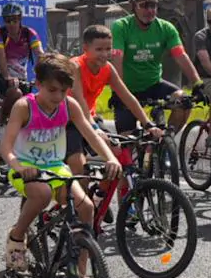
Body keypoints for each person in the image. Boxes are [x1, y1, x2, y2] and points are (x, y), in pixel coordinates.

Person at [0, 53, 120, 278]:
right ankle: (17, 235)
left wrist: (110, 158)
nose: (58, 97)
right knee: (42, 194)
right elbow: (5, 146)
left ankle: (80, 273)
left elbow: (91, 135)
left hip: (56, 168)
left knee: (86, 207)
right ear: (38, 85)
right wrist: (19, 166)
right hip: (25, 167)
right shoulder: (24, 107)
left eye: (64, 91)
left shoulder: (69, 105)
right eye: (52, 90)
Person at [66, 23, 162, 177]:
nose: (105, 54)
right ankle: (80, 200)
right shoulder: (75, 66)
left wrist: (147, 124)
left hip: (90, 119)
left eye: (108, 49)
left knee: (118, 157)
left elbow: (128, 97)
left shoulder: (108, 69)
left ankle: (103, 196)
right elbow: (80, 102)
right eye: (99, 49)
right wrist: (95, 129)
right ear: (85, 49)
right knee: (80, 171)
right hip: (69, 121)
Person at [109, 0, 200, 133]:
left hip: (154, 85)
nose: (150, 10)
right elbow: (117, 59)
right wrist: (119, 91)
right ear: (133, 7)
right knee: (127, 143)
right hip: (127, 88)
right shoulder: (121, 27)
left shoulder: (166, 28)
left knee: (184, 102)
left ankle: (165, 144)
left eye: (153, 5)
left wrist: (197, 83)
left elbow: (181, 56)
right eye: (144, 5)